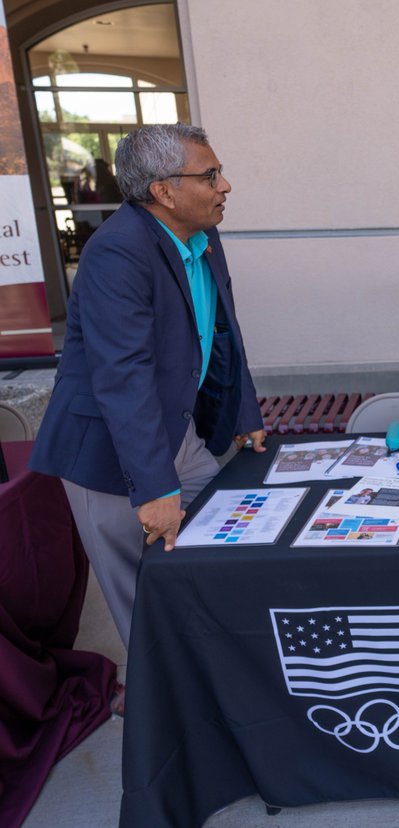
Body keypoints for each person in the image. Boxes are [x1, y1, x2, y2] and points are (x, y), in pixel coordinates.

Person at [30, 124, 265, 659]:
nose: (225, 185)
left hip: (178, 432)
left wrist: (243, 411)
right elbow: (123, 374)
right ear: (163, 190)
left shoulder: (203, 235)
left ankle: (214, 675)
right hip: (110, 453)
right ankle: (155, 707)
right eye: (210, 175)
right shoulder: (117, 251)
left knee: (228, 544)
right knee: (140, 593)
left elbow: (223, 330)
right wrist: (154, 486)